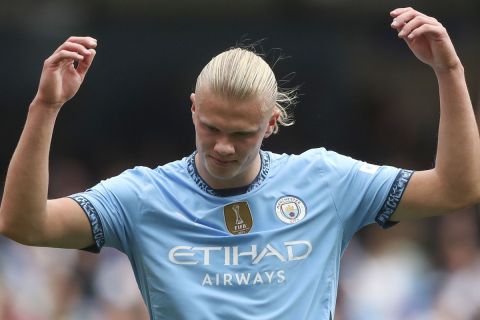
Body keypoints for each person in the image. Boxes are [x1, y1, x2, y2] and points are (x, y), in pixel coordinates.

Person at [0, 7, 479, 320]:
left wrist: (449, 71)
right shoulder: (142, 197)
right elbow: (25, 224)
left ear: (272, 124)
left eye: (242, 133)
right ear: (192, 109)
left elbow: (456, 188)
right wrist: (45, 108)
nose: (223, 146)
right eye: (211, 127)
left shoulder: (325, 180)